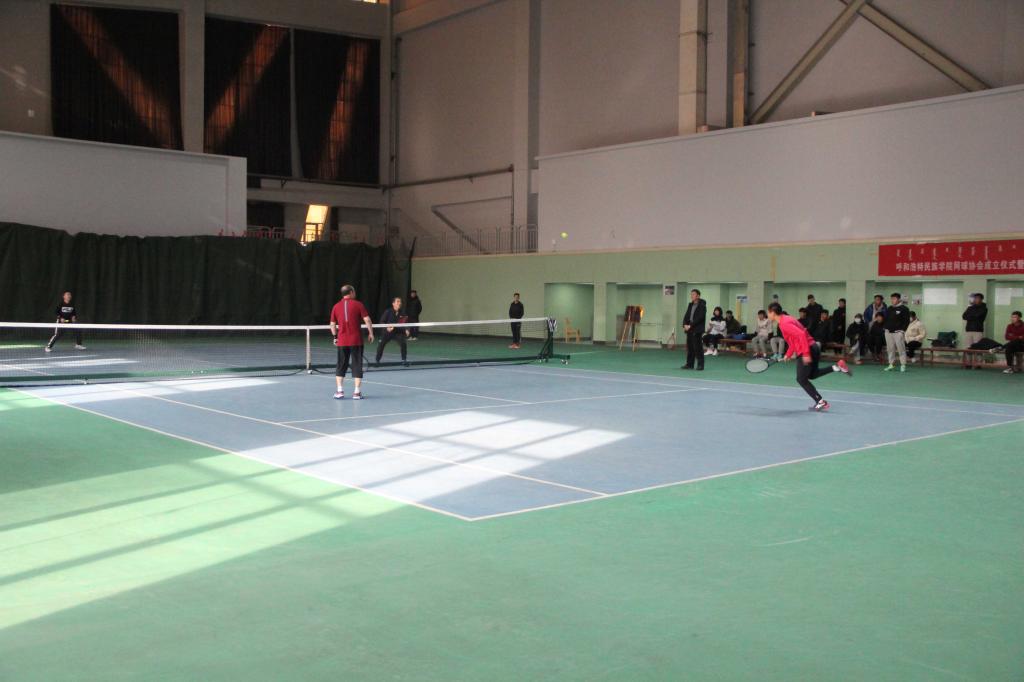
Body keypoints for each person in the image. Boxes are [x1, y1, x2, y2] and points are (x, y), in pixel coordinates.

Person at [767, 302, 849, 412]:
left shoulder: (784, 323)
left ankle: (820, 402)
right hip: (813, 347)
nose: (768, 315)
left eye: (768, 312)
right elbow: (794, 340)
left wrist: (806, 354)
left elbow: (801, 335)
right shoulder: (787, 319)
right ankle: (837, 367)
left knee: (801, 379)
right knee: (812, 374)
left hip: (807, 349)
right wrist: (788, 354)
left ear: (773, 312)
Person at [330, 284, 373, 400]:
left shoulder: (336, 306)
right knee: (357, 365)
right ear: (351, 292)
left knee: (341, 365)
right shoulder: (358, 304)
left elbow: (332, 324)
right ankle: (357, 393)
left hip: (342, 341)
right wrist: (371, 333)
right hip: (356, 341)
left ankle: (339, 391)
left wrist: (335, 337)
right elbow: (367, 319)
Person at [375, 296, 409, 365]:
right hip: (387, 332)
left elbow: (405, 323)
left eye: (400, 302)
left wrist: (407, 329)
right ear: (393, 303)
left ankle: (404, 360)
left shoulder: (403, 313)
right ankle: (377, 361)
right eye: (398, 301)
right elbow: (382, 322)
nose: (399, 303)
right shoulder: (388, 312)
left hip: (398, 332)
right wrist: (387, 328)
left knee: (403, 343)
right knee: (381, 345)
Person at [883, 292, 910, 372]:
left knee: (901, 349)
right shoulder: (889, 308)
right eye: (891, 299)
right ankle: (891, 364)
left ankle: (903, 365)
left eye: (894, 299)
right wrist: (885, 328)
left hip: (898, 332)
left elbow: (906, 321)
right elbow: (886, 319)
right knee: (890, 349)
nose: (892, 300)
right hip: (888, 332)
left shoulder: (904, 309)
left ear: (899, 299)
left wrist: (902, 331)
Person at [680, 289, 706, 370]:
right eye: (691, 294)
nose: (691, 296)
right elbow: (686, 316)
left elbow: (700, 318)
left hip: (697, 329)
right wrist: (684, 324)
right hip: (689, 329)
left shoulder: (702, 305)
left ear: (698, 296)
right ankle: (689, 364)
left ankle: (700, 365)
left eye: (693, 294)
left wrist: (690, 325)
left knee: (698, 348)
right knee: (690, 347)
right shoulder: (690, 305)